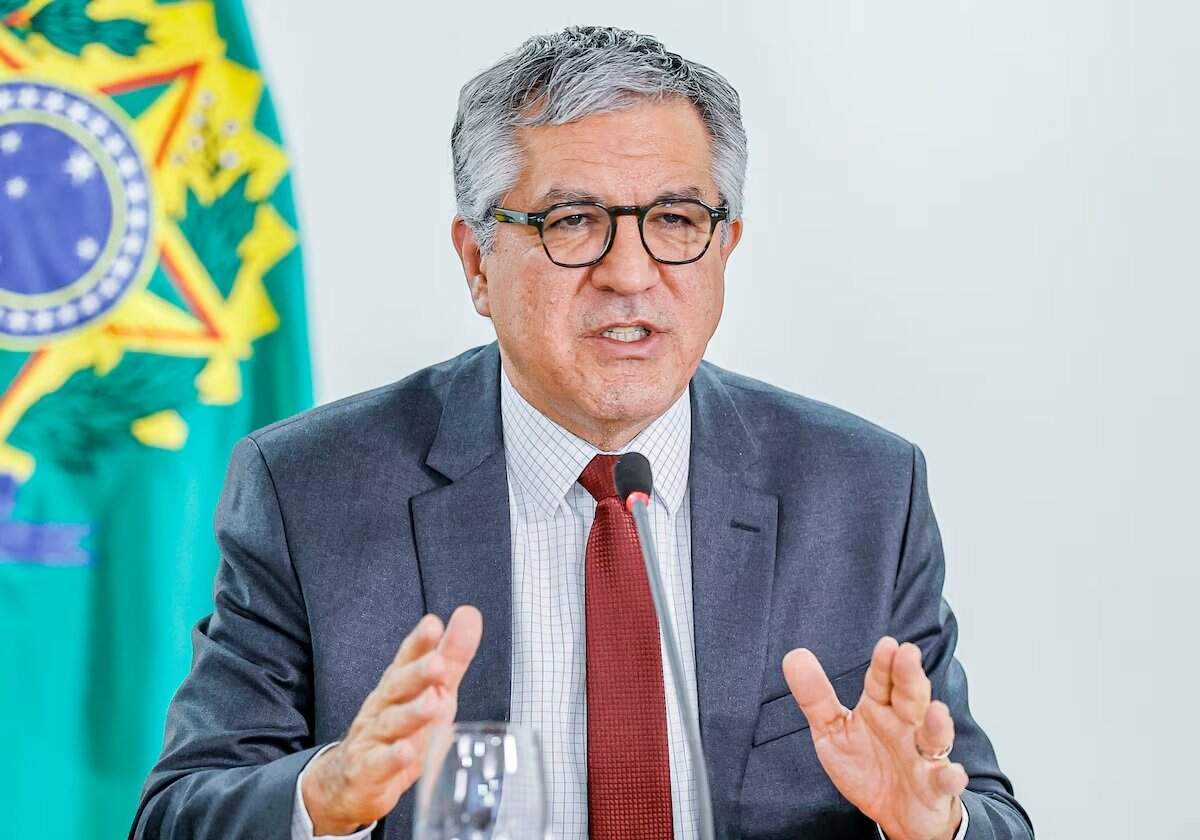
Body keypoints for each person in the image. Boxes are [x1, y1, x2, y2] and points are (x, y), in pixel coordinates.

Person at [132, 25, 1034, 840]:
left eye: (675, 220)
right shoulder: (311, 488)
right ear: (477, 263)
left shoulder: (861, 492)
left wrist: (931, 828)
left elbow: (985, 811)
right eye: (573, 223)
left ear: (726, 248)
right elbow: (178, 814)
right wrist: (327, 796)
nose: (630, 273)